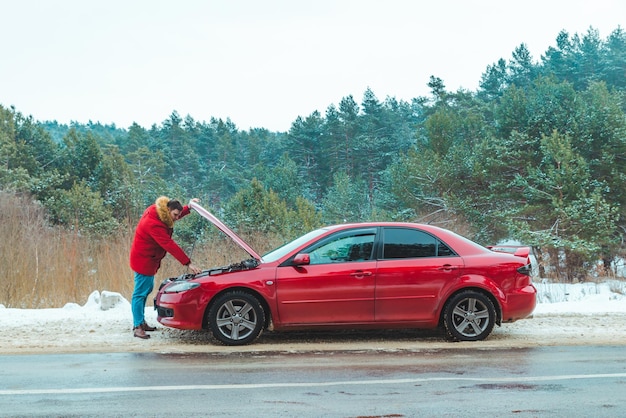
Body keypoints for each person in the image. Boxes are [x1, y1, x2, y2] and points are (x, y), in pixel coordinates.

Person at [129, 196, 202, 339]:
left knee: (145, 290)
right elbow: (169, 245)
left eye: (178, 215)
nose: (176, 218)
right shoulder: (153, 224)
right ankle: (137, 326)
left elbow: (171, 218)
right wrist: (188, 263)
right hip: (144, 260)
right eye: (175, 215)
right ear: (168, 210)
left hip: (148, 259)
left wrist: (189, 207)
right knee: (140, 293)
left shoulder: (158, 212)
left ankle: (141, 322)